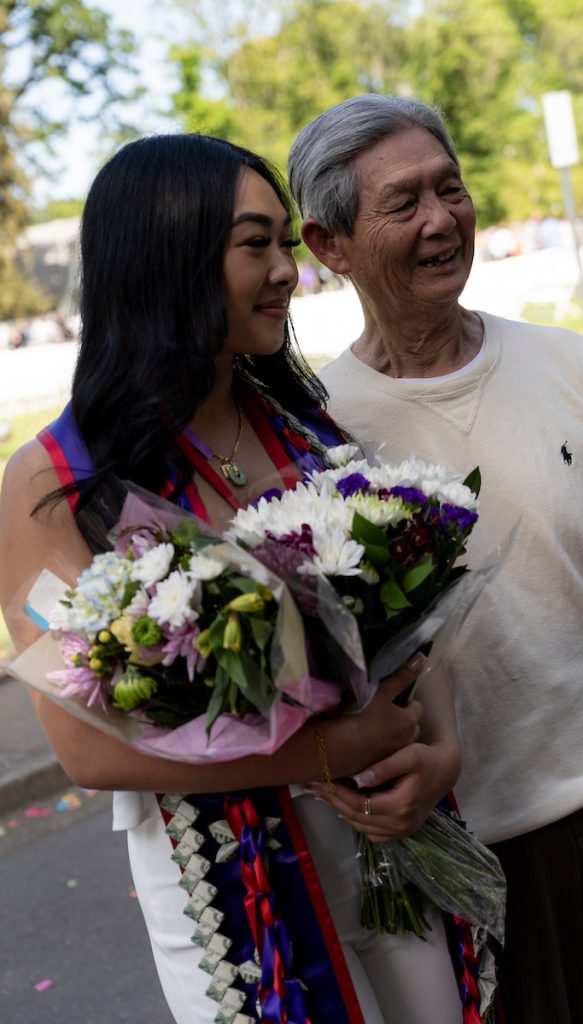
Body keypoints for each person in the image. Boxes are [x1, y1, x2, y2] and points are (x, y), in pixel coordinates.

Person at [0, 134, 469, 1024]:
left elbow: (414, 619)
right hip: (228, 872)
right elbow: (87, 747)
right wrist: (331, 750)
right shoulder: (54, 478)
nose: (289, 271)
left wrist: (436, 747)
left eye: (285, 244)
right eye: (256, 245)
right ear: (166, 260)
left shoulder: (306, 427)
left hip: (386, 836)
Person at [288, 93, 583, 1023]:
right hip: (471, 858)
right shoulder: (314, 439)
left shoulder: (576, 368)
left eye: (451, 188)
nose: (441, 220)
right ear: (328, 244)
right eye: (402, 203)